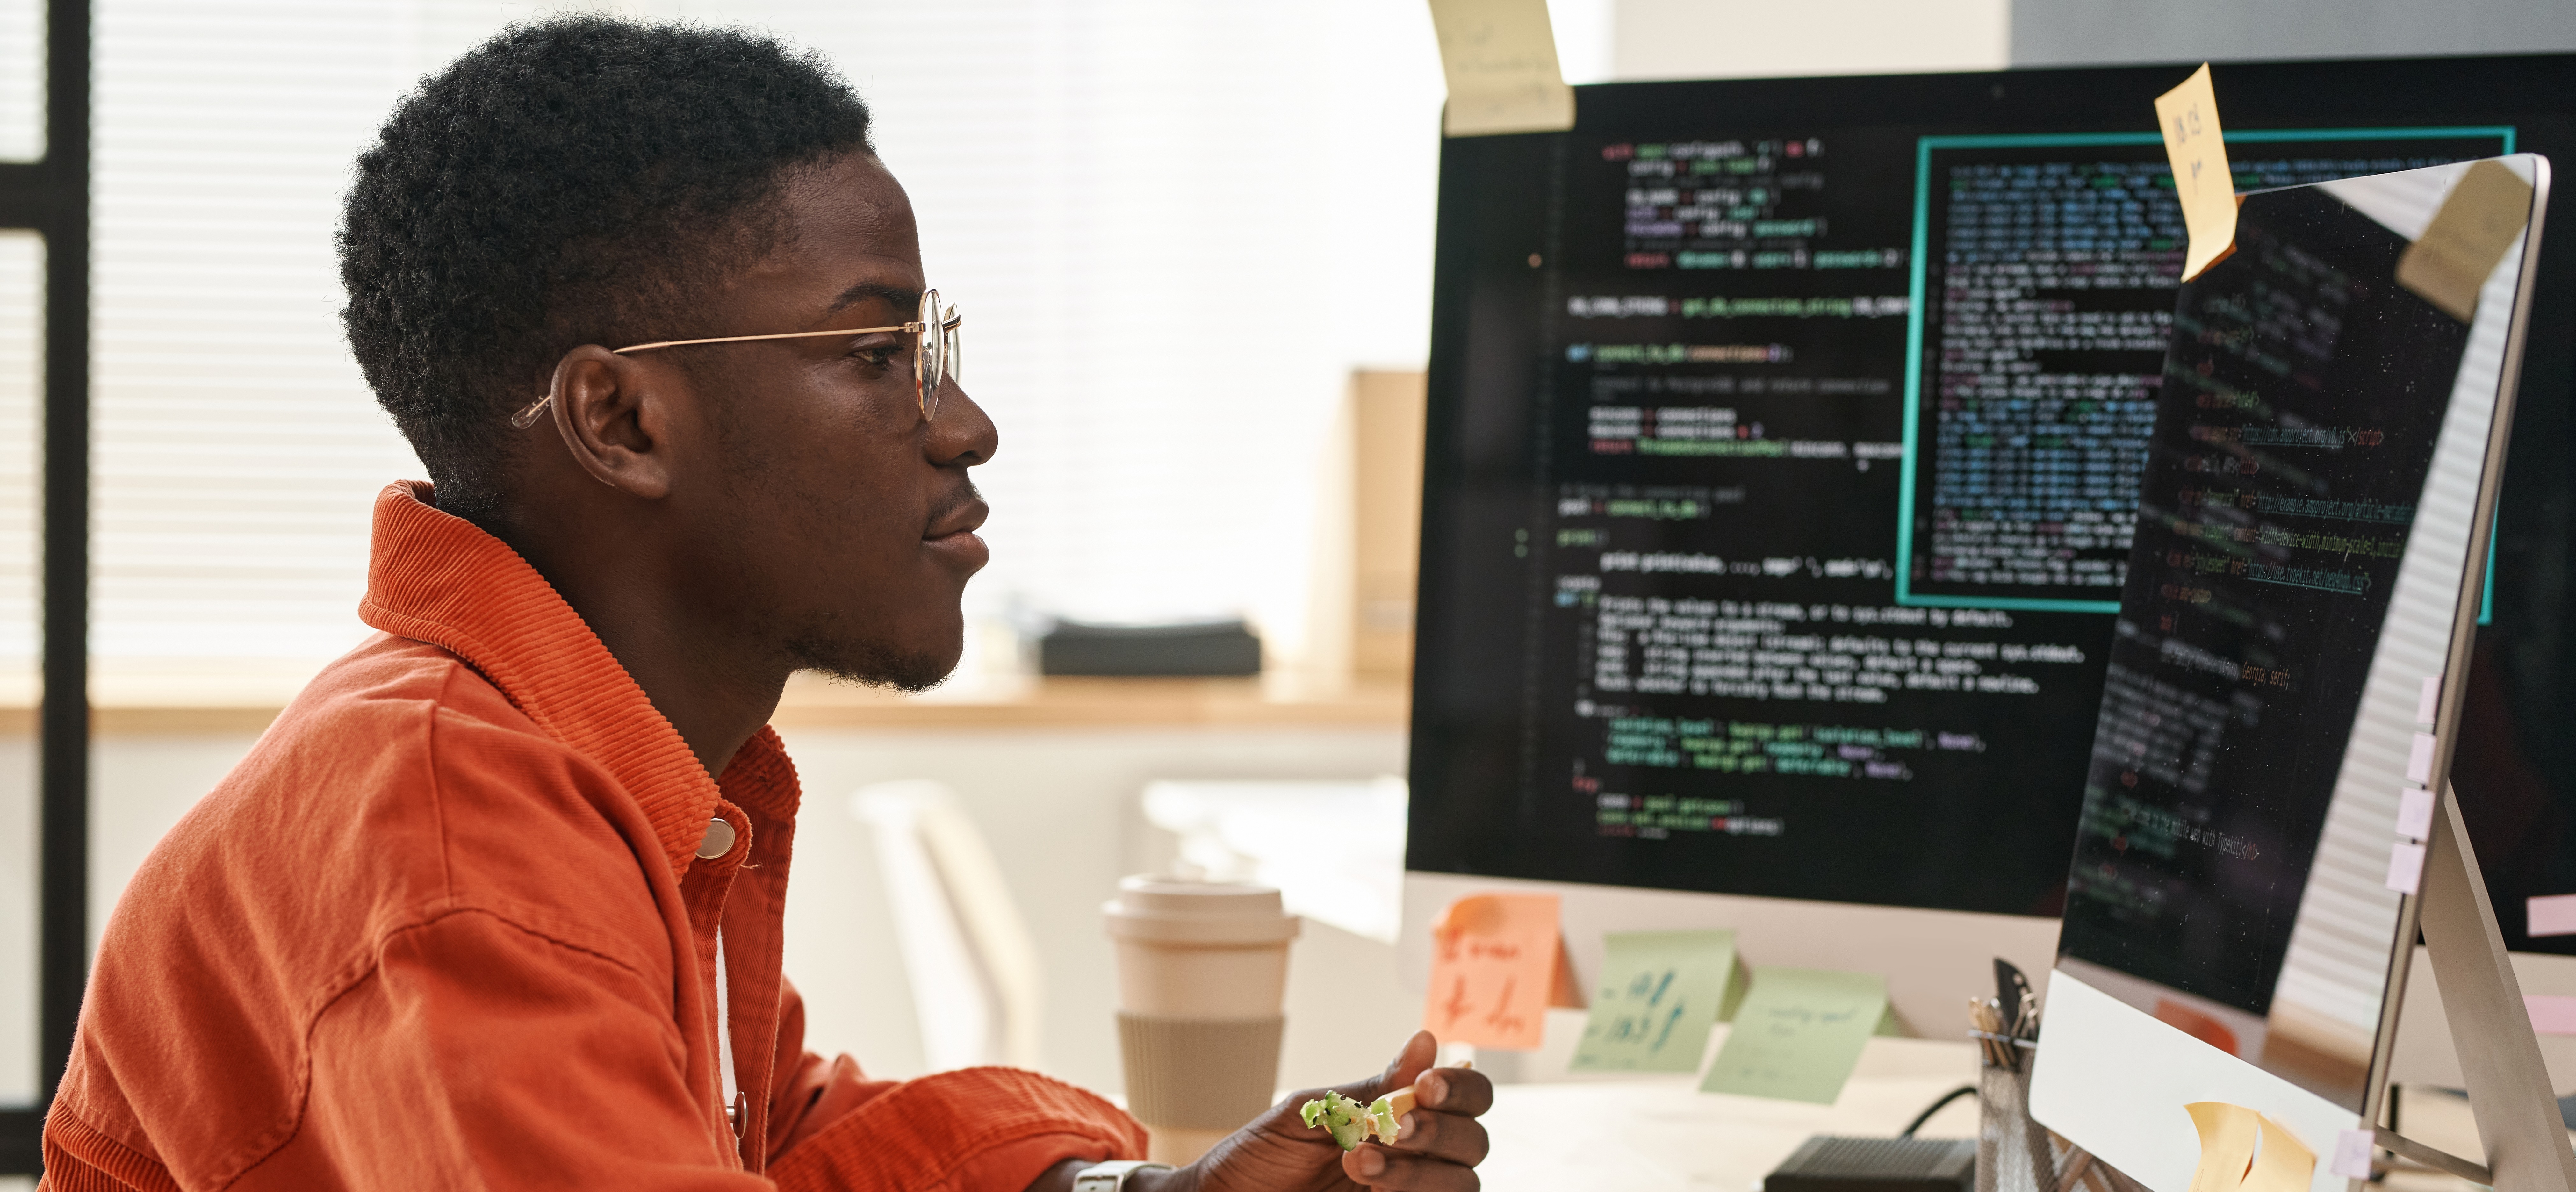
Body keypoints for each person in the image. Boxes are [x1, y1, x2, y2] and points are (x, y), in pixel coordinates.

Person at [38, 16, 1491, 1192]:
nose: (967, 426)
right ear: (621, 422)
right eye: (876, 355)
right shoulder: (455, 851)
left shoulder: (587, 766)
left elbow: (779, 1141)